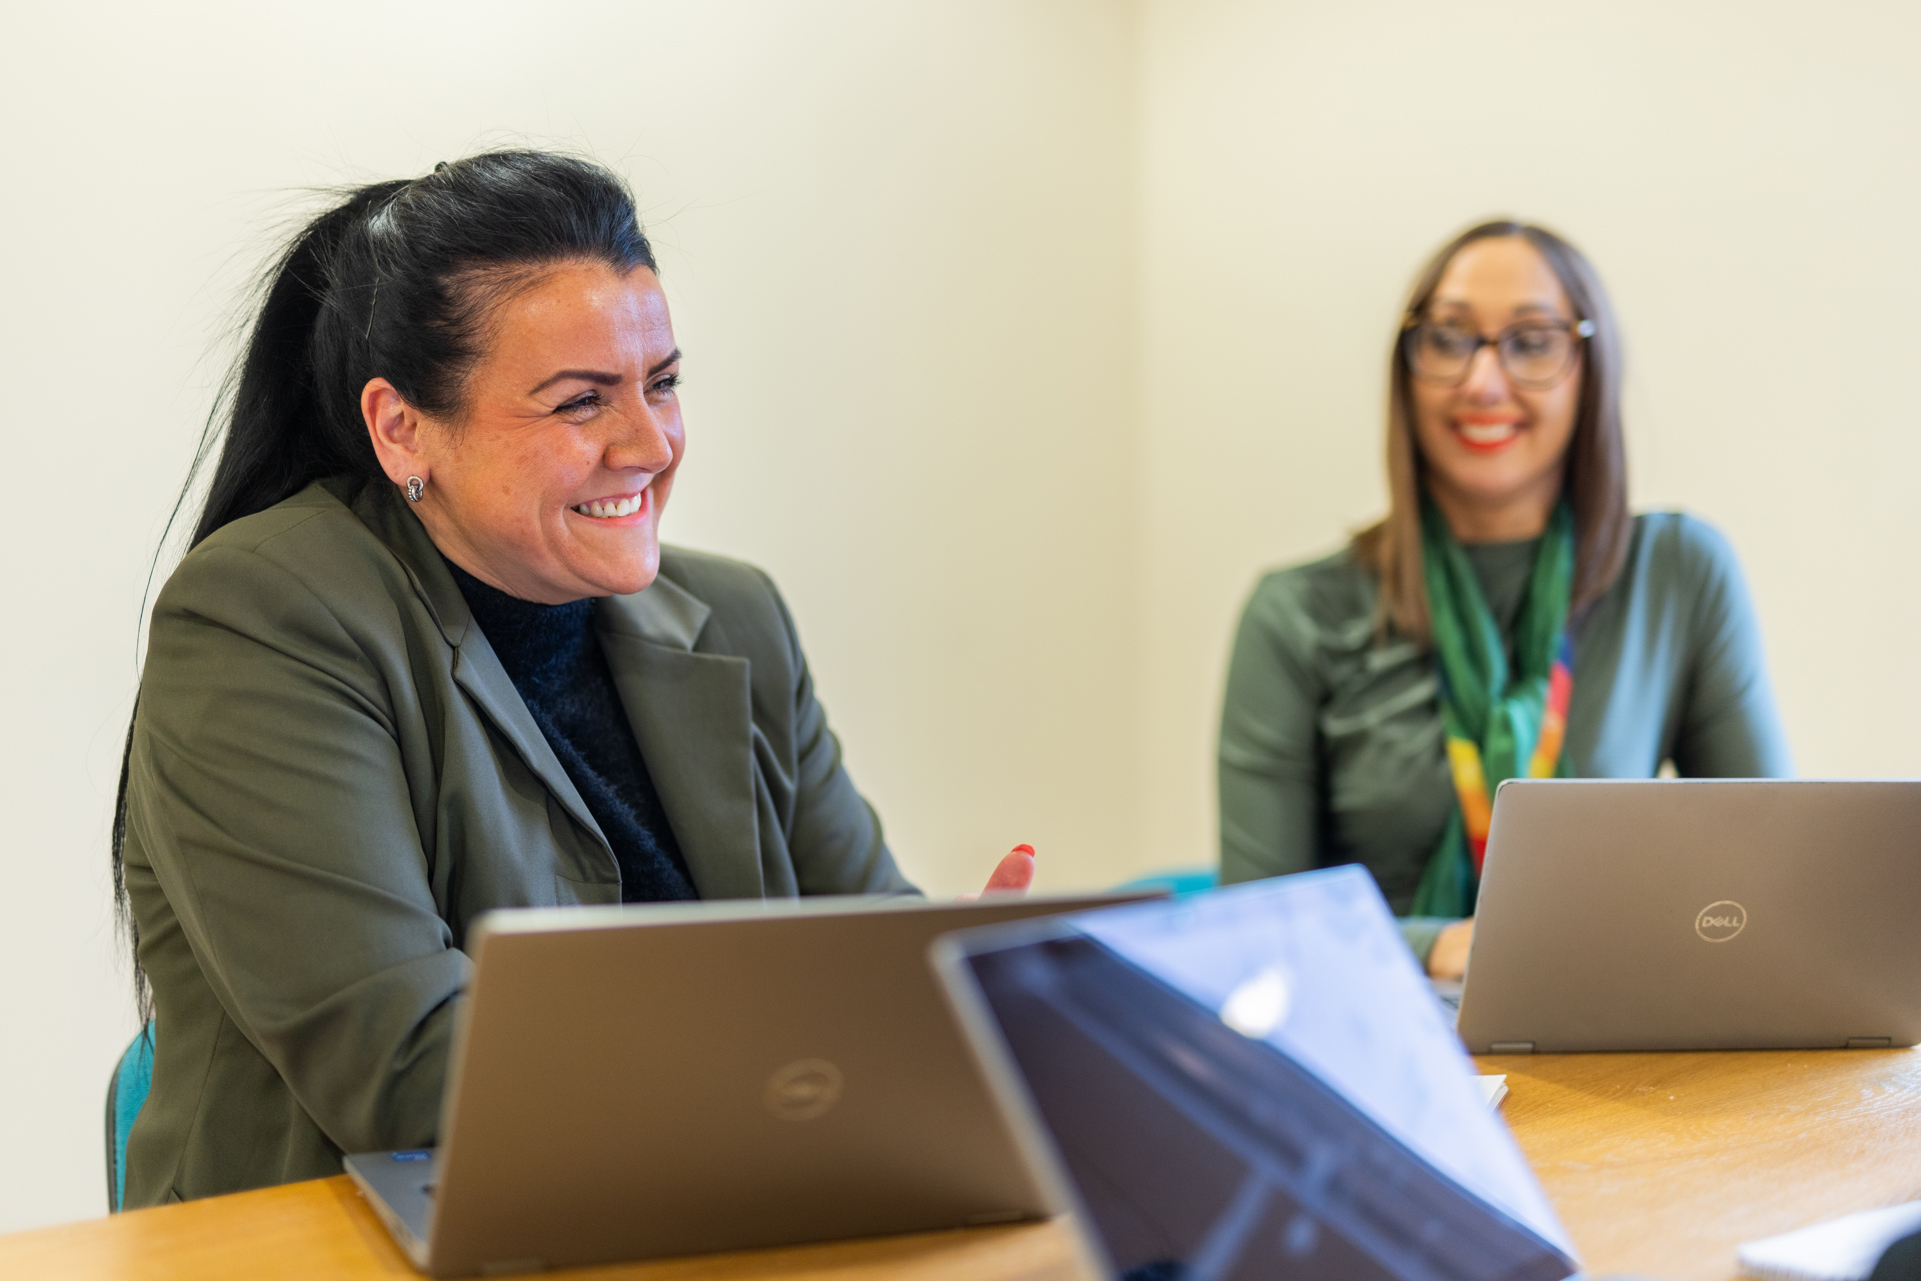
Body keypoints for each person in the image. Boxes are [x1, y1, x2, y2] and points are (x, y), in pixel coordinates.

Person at [113, 151, 1033, 1208]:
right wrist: (835, 1051)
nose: (649, 442)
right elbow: (410, 1072)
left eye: (664, 382)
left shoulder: (737, 617)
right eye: (579, 403)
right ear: (402, 428)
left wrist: (967, 997)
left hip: (704, 1214)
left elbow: (870, 958)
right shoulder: (265, 614)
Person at [1216, 220, 1791, 979]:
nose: (1483, 381)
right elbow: (1254, 931)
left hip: (1613, 1045)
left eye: (1531, 340)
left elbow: (1773, 889)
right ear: (1407, 368)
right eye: (1449, 338)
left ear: (1589, 367)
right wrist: (1440, 947)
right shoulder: (1294, 613)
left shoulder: (1677, 572)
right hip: (1382, 1049)